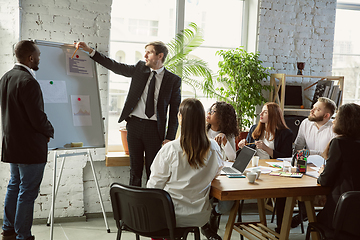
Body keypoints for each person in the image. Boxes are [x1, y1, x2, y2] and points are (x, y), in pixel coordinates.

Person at [76, 41, 181, 187]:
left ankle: (152, 206)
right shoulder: (140, 68)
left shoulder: (173, 80)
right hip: (134, 126)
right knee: (135, 169)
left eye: (149, 52)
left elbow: (175, 110)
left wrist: (170, 137)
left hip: (154, 130)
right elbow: (116, 66)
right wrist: (90, 51)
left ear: (160, 55)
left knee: (154, 171)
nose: (145, 55)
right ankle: (135, 206)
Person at [0, 40, 54, 240]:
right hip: (30, 147)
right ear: (30, 58)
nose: (39, 58)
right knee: (28, 192)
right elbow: (37, 117)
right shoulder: (28, 81)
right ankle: (23, 235)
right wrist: (49, 130)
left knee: (14, 185)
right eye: (38, 55)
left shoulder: (5, 78)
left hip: (12, 145)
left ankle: (8, 231)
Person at [147, 98, 223, 230]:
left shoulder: (170, 149)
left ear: (181, 118)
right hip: (199, 216)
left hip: (171, 215)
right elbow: (217, 173)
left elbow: (154, 186)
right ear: (202, 119)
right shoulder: (214, 147)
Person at [238, 102, 293, 233]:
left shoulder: (286, 133)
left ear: (274, 115)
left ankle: (281, 228)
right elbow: (249, 150)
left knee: (282, 193)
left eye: (265, 112)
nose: (260, 114)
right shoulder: (254, 129)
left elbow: (286, 157)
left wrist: (266, 149)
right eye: (261, 111)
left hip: (274, 171)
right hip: (255, 168)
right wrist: (243, 146)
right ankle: (240, 222)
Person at [291, 97, 337, 228]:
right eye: (313, 107)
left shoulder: (334, 128)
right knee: (296, 180)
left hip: (325, 168)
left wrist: (310, 153)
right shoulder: (306, 123)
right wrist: (305, 155)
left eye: (317, 109)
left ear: (326, 115)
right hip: (307, 166)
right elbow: (298, 147)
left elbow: (330, 155)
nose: (311, 110)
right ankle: (302, 213)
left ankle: (308, 214)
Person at [317, 103, 360, 229]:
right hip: (356, 212)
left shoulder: (339, 143)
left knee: (316, 219)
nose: (333, 120)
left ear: (344, 121)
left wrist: (321, 174)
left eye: (336, 117)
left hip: (343, 209)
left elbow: (325, 180)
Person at [201, 101, 238, 239]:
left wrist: (224, 142)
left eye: (213, 111)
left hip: (222, 176)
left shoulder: (228, 135)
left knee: (228, 204)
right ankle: (205, 225)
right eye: (209, 109)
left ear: (222, 117)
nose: (209, 112)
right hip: (205, 174)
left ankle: (215, 213)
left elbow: (232, 157)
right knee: (204, 199)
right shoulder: (202, 131)